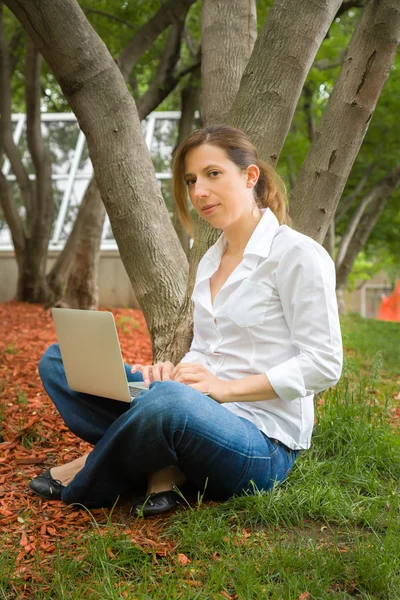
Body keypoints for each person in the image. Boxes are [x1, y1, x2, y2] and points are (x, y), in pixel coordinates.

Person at [29, 124, 343, 516]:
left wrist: (223, 389)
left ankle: (92, 473)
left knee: (169, 404)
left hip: (262, 442)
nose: (199, 192)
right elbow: (207, 348)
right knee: (60, 361)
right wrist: (175, 372)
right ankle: (160, 459)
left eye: (213, 174)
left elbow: (324, 364)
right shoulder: (211, 259)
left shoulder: (298, 255)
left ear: (250, 177)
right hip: (193, 407)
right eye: (192, 180)